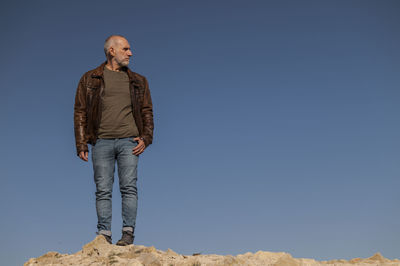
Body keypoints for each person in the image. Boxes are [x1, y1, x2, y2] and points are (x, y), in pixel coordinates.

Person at [73, 35, 154, 245]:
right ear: (112, 51)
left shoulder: (138, 81)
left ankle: (128, 234)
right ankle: (104, 235)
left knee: (129, 187)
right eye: (126, 49)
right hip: (101, 141)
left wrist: (146, 137)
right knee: (103, 189)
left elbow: (147, 111)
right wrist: (81, 143)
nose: (130, 53)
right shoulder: (90, 78)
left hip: (129, 142)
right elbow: (80, 111)